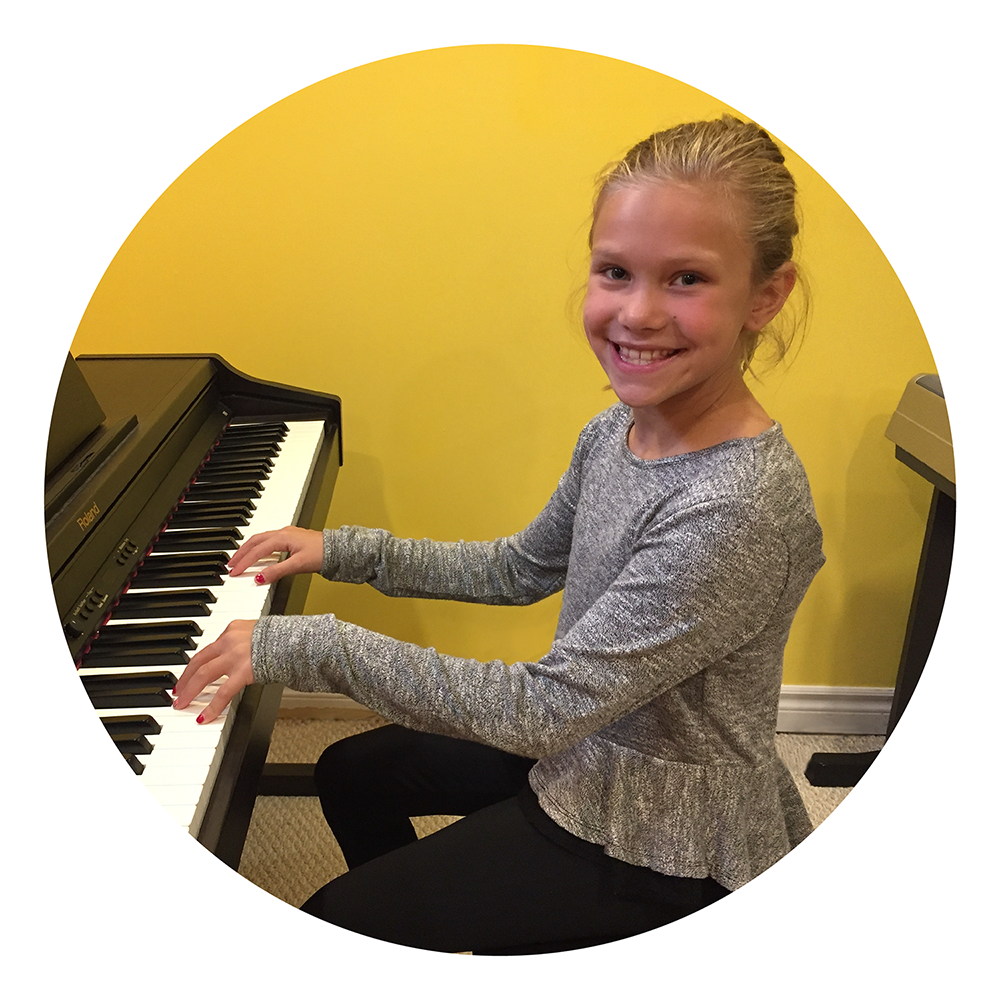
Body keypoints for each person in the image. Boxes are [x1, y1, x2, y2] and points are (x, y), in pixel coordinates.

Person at [172, 116, 825, 955]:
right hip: (588, 744)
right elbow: (521, 568)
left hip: (663, 826)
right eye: (615, 272)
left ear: (765, 297)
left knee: (333, 919)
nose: (637, 312)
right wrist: (346, 551)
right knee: (349, 773)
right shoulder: (615, 433)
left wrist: (308, 646)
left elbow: (540, 711)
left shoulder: (735, 507)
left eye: (687, 279)